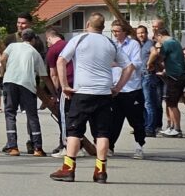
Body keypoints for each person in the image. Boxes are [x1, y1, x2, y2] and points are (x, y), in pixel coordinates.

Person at [50, 13, 134, 184]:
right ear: (104, 28)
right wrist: (117, 87)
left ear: (88, 23)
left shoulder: (79, 39)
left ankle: (68, 168)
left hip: (82, 92)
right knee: (102, 133)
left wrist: (64, 85)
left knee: (75, 130)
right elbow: (129, 66)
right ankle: (101, 170)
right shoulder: (110, 43)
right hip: (104, 93)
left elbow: (61, 61)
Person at [0, 28, 49, 156]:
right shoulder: (35, 53)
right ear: (33, 40)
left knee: (10, 114)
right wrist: (52, 91)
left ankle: (13, 147)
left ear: (22, 37)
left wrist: (4, 71)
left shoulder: (12, 46)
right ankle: (38, 148)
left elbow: (2, 59)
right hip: (27, 85)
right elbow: (43, 75)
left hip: (10, 81)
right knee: (32, 115)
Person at [108, 21, 146, 158]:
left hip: (131, 88)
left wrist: (117, 63)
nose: (115, 34)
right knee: (114, 121)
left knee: (136, 120)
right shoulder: (112, 44)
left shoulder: (133, 44)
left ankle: (139, 146)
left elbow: (135, 64)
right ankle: (110, 147)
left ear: (124, 31)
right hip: (115, 88)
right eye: (113, 31)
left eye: (117, 31)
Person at [44, 27, 71, 157]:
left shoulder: (52, 50)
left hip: (65, 86)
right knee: (74, 117)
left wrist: (56, 91)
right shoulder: (70, 45)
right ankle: (79, 145)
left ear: (49, 38)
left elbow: (53, 74)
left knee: (64, 118)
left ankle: (66, 147)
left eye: (47, 40)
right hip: (77, 85)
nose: (47, 43)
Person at [155, 26, 185, 137]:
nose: (158, 42)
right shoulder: (175, 42)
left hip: (176, 77)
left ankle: (177, 129)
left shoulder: (167, 43)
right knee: (169, 103)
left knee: (172, 104)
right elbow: (172, 60)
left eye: (157, 39)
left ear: (160, 36)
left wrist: (157, 48)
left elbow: (159, 58)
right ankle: (172, 127)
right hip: (175, 75)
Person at [142, 18, 165, 136]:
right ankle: (150, 124)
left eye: (156, 26)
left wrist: (149, 63)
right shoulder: (151, 40)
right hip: (154, 74)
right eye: (153, 26)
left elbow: (159, 55)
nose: (154, 28)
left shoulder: (164, 39)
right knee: (151, 102)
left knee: (156, 102)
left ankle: (157, 126)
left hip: (161, 75)